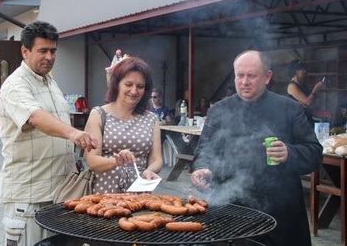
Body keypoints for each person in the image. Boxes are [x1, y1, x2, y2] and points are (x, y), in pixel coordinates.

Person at [190, 50, 322, 246]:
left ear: (267, 77)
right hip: (229, 209)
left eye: (252, 75)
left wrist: (290, 153)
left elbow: (314, 152)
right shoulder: (218, 111)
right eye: (240, 75)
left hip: (281, 211)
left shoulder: (289, 108)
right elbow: (204, 152)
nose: (244, 81)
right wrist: (200, 168)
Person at [0, 20, 98, 246]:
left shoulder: (50, 82)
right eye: (43, 51)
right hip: (29, 198)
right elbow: (35, 117)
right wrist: (73, 133)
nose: (49, 57)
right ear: (25, 51)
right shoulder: (16, 85)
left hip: (59, 194)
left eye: (53, 51)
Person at [84, 56, 162, 194]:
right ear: (117, 84)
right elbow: (92, 160)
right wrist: (116, 161)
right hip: (105, 193)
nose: (134, 91)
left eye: (140, 86)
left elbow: (156, 159)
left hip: (140, 192)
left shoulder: (152, 119)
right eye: (128, 84)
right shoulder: (98, 114)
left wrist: (149, 171)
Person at [287, 59, 325, 126]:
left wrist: (307, 103)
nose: (305, 72)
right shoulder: (292, 86)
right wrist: (315, 89)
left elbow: (309, 104)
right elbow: (307, 102)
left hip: (306, 117)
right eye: (303, 69)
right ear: (296, 71)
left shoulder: (302, 85)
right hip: (298, 121)